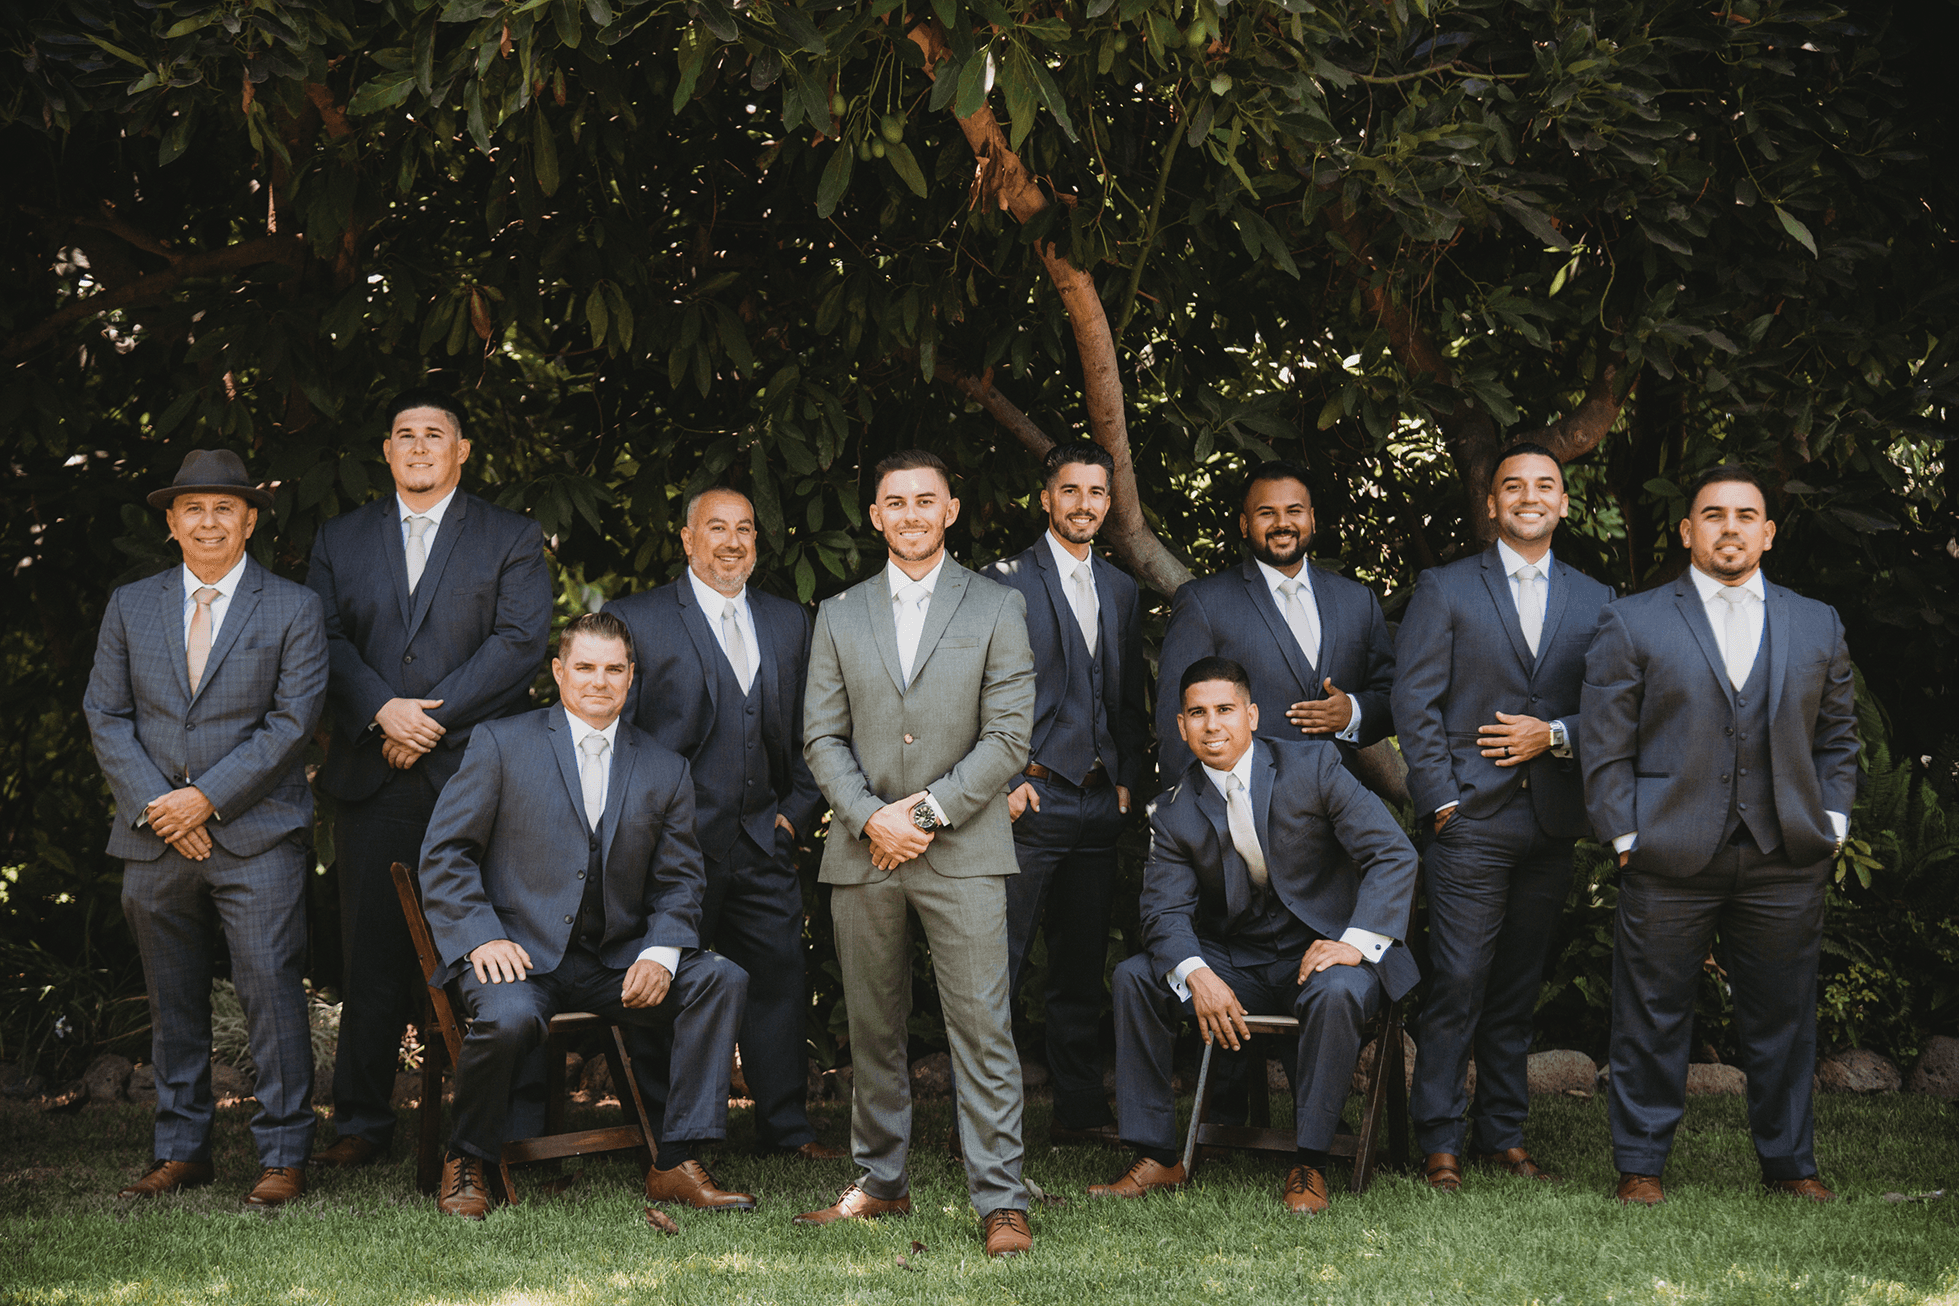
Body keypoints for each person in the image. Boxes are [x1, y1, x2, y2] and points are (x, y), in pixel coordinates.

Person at [1581, 465, 1858, 1206]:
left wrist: (1830, 822)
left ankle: (1789, 1165)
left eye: (1744, 516)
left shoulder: (1815, 621)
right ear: (1687, 531)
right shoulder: (1632, 620)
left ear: (1766, 533)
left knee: (1782, 1017)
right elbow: (1605, 745)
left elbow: (1837, 737)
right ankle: (1639, 1166)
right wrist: (1623, 838)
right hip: (1666, 851)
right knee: (1649, 1015)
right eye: (1712, 515)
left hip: (1783, 854)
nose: (1728, 527)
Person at [416, 612, 750, 1218]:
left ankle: (675, 1160)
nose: (600, 681)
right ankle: (465, 1159)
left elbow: (680, 879)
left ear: (630, 677)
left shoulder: (663, 766)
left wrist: (662, 951)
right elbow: (445, 854)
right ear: (558, 671)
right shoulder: (501, 743)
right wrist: (480, 936)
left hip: (611, 962)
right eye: (586, 667)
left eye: (614, 669)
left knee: (721, 978)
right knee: (511, 1019)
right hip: (516, 956)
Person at [797, 450, 1038, 1258]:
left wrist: (925, 814)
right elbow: (821, 736)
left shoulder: (999, 606)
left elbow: (1008, 737)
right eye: (893, 501)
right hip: (863, 854)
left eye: (923, 500)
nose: (908, 513)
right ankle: (880, 1184)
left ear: (951, 510)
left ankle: (1001, 1198)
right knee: (873, 1030)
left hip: (964, 851)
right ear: (874, 516)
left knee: (982, 1030)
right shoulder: (837, 612)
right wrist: (870, 819)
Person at [305, 389, 552, 1169]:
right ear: (386, 451)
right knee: (370, 957)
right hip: (372, 773)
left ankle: (513, 1116)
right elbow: (322, 637)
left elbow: (518, 644)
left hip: (476, 773)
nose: (418, 446)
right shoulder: (339, 539)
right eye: (404, 435)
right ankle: (360, 1126)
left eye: (434, 434)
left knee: (498, 942)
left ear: (462, 450)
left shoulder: (510, 537)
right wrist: (383, 710)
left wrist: (429, 720)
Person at [83, 449, 328, 1208]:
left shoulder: (293, 607)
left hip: (257, 838)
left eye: (225, 508)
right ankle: (180, 1150)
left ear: (249, 520)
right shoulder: (131, 605)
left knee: (269, 994)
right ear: (171, 522)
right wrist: (162, 805)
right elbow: (106, 713)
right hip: (154, 838)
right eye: (194, 508)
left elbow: (293, 723)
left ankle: (284, 1155)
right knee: (173, 1000)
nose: (209, 521)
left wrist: (206, 801)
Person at [1088, 658, 1418, 1214]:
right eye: (1197, 713)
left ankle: (1309, 1162)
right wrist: (1198, 975)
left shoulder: (1313, 766)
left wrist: (1354, 943)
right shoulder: (1171, 811)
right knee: (1134, 977)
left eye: (1224, 710)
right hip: (1237, 962)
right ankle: (1157, 1155)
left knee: (1337, 991)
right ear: (1181, 725)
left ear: (1252, 714)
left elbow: (1393, 852)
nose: (1212, 724)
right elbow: (1163, 912)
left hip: (1325, 954)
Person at [1393, 442, 1615, 1191]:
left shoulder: (1596, 598)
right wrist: (1440, 801)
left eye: (1543, 485)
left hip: (1552, 822)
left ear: (1562, 503)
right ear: (1490, 504)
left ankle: (1502, 1133)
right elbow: (1413, 702)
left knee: (1518, 987)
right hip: (1470, 822)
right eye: (1511, 485)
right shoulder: (1445, 587)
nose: (1528, 495)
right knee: (1456, 979)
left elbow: (1616, 710)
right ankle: (1437, 1139)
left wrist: (1555, 735)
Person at [600, 487, 835, 1159]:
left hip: (765, 840)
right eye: (716, 528)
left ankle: (785, 1129)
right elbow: (615, 740)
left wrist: (793, 818)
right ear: (685, 538)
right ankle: (662, 1134)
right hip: (669, 851)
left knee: (780, 982)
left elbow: (817, 735)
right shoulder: (636, 619)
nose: (732, 542)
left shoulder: (791, 622)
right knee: (662, 983)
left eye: (744, 529)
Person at [978, 442, 1149, 1143]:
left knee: (1079, 971)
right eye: (1070, 491)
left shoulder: (1121, 588)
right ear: (1045, 498)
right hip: (1029, 801)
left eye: (1097, 493)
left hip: (1097, 804)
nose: (1084, 504)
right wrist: (1008, 784)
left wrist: (1129, 782)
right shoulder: (1000, 583)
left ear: (1109, 503)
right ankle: (987, 1124)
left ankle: (1078, 1115)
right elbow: (975, 697)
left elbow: (1126, 698)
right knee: (999, 968)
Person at [1155, 460, 1395, 781]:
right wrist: (1195, 814)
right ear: (1244, 524)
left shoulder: (1357, 601)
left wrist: (1355, 712)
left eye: (1294, 511)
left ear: (1311, 518)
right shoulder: (1203, 602)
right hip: (1244, 810)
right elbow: (1177, 718)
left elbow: (1394, 695)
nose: (1282, 523)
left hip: (1342, 813)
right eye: (1266, 513)